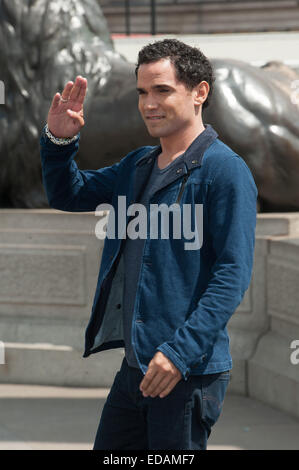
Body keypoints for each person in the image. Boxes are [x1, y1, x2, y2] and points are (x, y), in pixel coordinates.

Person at [40, 39, 258, 450]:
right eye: (142, 92)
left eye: (162, 90)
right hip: (135, 369)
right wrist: (59, 141)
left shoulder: (226, 172)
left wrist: (179, 354)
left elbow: (233, 275)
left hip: (187, 373)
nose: (148, 104)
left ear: (200, 93)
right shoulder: (137, 166)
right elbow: (67, 194)